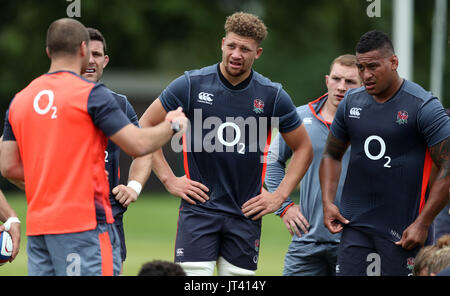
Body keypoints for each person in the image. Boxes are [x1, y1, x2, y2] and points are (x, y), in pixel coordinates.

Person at [129, 11, 313, 276]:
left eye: (245, 49)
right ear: (222, 43)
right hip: (199, 212)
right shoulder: (191, 84)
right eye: (232, 46)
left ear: (257, 53)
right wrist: (169, 179)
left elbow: (304, 148)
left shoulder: (272, 96)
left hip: (246, 216)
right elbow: (144, 125)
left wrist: (280, 196)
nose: (237, 54)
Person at [0, 18, 187, 276]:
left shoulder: (21, 99)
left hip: (40, 228)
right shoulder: (92, 94)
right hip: (86, 225)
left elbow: (8, 166)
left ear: (48, 52)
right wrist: (172, 125)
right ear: (83, 50)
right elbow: (139, 143)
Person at [319, 29, 450, 276]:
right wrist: (328, 202)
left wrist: (422, 223)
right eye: (361, 67)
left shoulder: (423, 106)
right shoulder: (351, 102)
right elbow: (331, 156)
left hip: (404, 233)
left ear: (393, 62)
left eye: (373, 67)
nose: (366, 75)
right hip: (355, 226)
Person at [265, 54, 361, 276]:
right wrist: (284, 206)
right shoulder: (299, 118)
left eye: (350, 82)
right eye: (336, 79)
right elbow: (272, 162)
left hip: (354, 243)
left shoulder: (371, 123)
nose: (341, 87)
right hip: (306, 241)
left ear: (362, 85)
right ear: (327, 80)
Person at [81, 27, 151, 272]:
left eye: (97, 55)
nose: (91, 60)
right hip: (67, 218)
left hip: (109, 218)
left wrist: (134, 186)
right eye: (86, 53)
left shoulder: (119, 103)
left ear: (105, 61)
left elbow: (143, 150)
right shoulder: (52, 100)